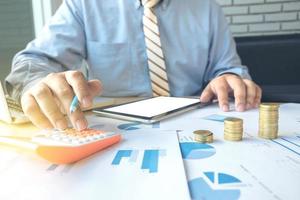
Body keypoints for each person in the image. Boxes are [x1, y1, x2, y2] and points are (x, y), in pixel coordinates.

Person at [5, 0, 261, 131]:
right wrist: (35, 83)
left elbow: (228, 68)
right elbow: (35, 61)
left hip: (193, 123)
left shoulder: (207, 8)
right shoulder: (83, 4)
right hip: (113, 128)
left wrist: (228, 77)